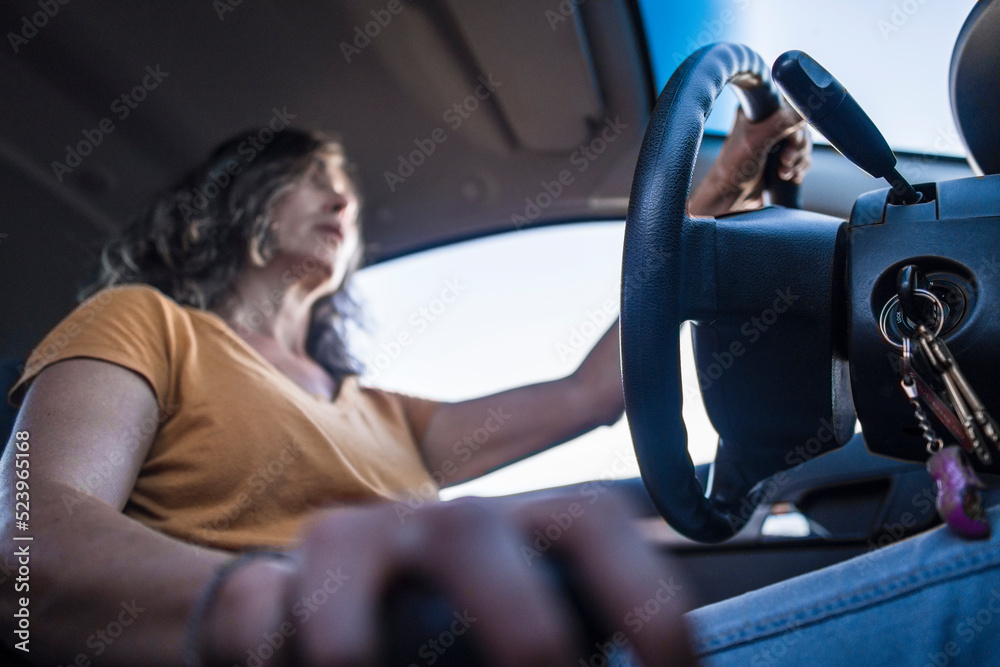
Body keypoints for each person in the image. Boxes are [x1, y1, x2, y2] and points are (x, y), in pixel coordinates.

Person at [0, 108, 809, 666]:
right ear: (228, 206)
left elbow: (590, 392)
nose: (344, 198)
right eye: (311, 178)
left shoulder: (382, 411)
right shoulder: (143, 322)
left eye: (346, 188)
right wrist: (260, 602)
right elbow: (27, 548)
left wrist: (705, 201)